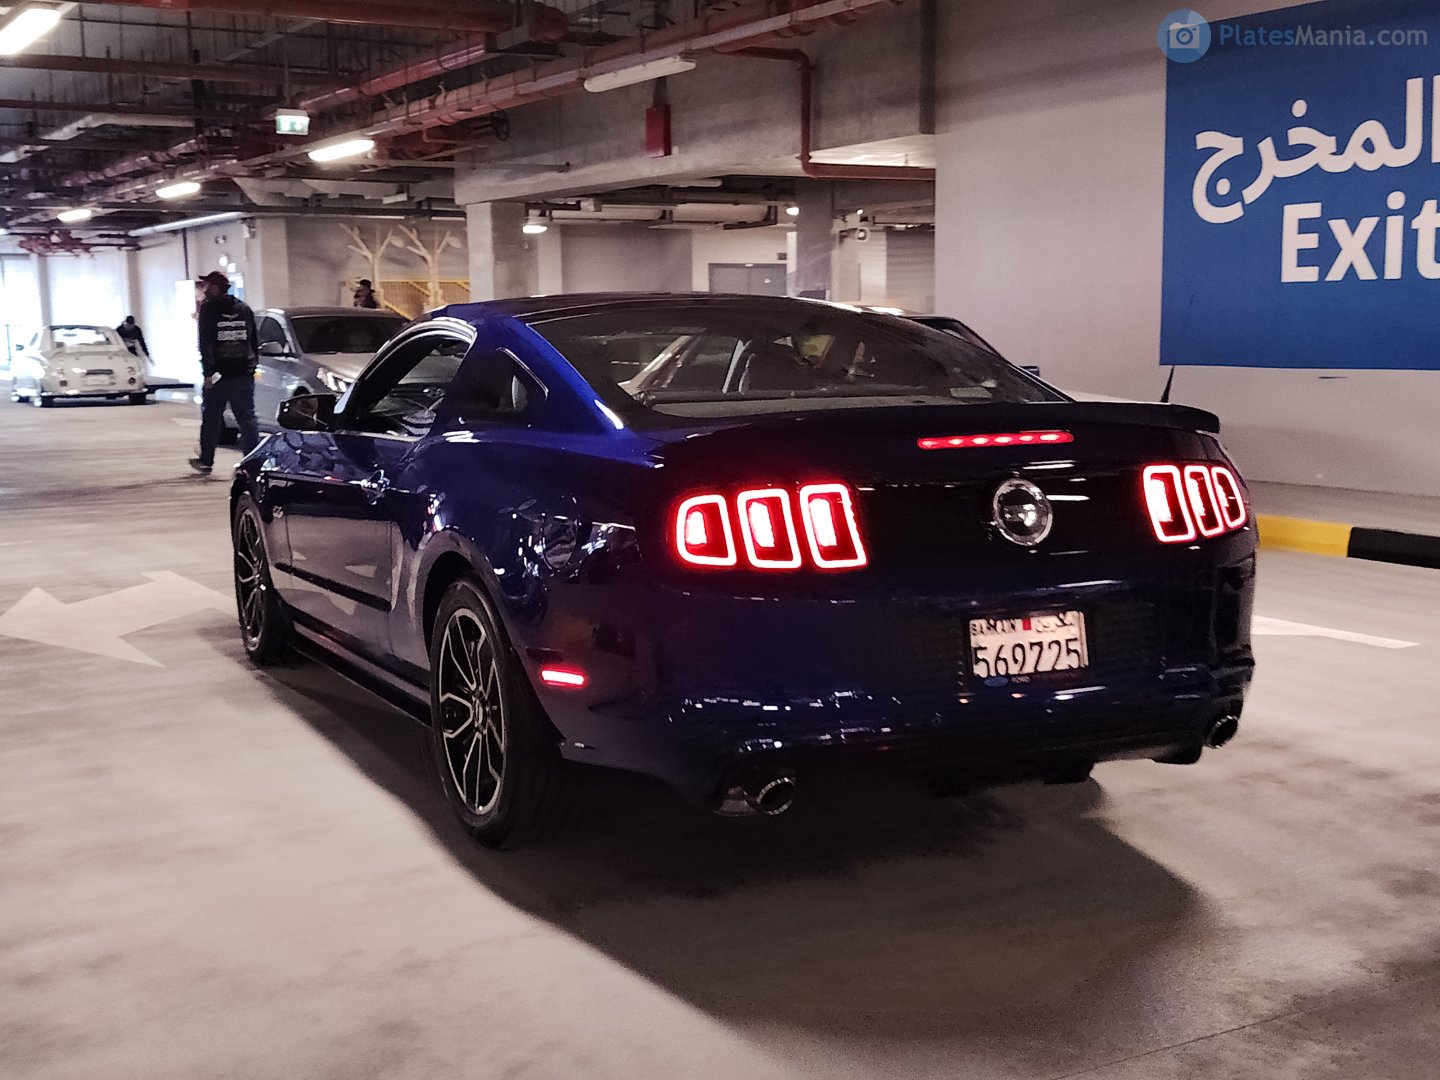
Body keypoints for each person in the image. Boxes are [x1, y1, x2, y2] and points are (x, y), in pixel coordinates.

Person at [189, 271, 260, 475]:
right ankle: (251, 461)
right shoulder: (244, 308)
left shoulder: (209, 310)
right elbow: (254, 340)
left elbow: (206, 343)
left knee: (211, 417)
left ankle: (206, 460)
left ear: (216, 287)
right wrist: (252, 366)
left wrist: (208, 373)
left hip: (219, 374)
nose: (204, 289)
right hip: (243, 373)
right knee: (247, 418)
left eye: (207, 285)